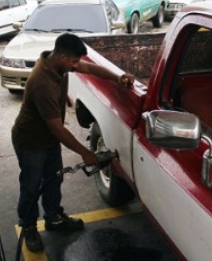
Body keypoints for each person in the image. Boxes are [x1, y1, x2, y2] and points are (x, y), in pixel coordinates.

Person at [11, 33, 134, 252]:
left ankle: (54, 217)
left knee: (53, 178)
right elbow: (57, 128)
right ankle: (29, 227)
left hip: (48, 140)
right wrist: (84, 153)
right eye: (74, 61)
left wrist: (118, 76)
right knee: (31, 185)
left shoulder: (59, 64)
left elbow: (90, 69)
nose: (77, 65)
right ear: (62, 56)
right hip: (30, 141)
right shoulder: (42, 82)